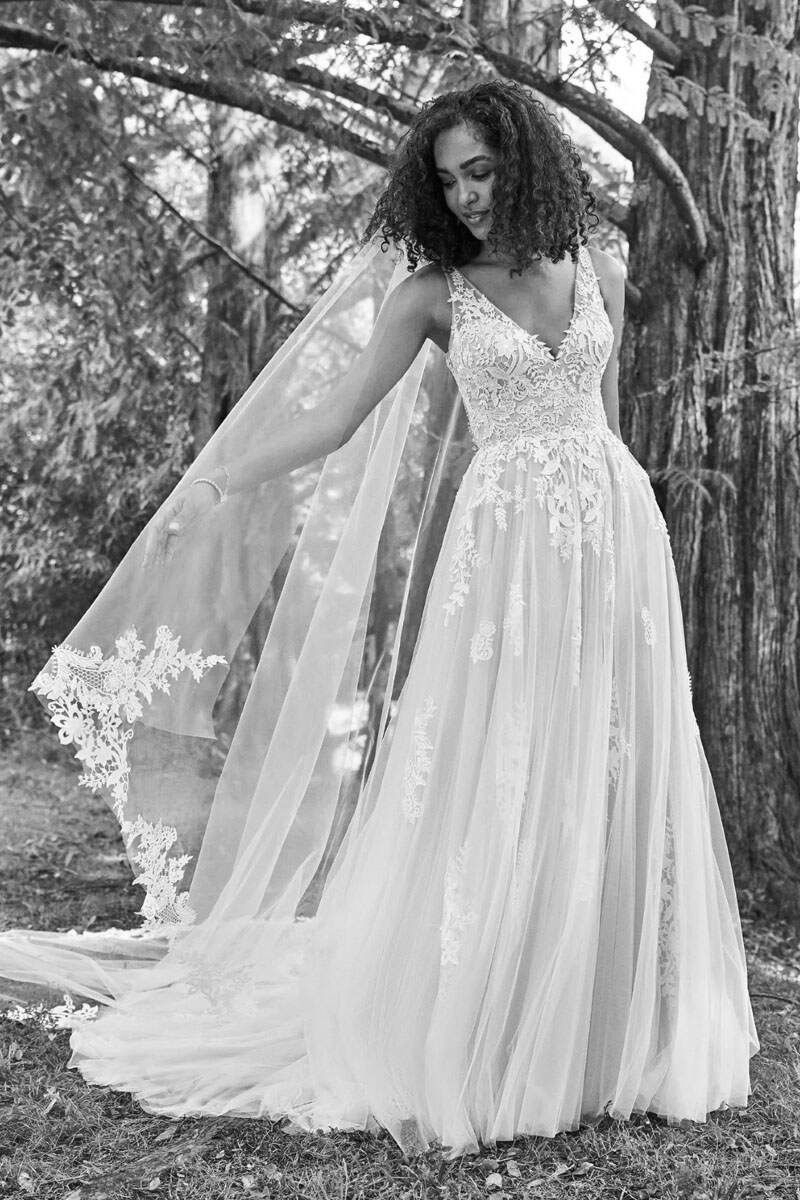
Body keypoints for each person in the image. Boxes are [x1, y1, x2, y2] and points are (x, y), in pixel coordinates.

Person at [1, 79, 758, 1159]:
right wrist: (216, 484)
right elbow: (336, 415)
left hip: (611, 534)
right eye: (446, 181)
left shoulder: (600, 261)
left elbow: (601, 412)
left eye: (482, 172)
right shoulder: (432, 292)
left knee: (609, 756)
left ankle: (604, 1021)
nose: (466, 198)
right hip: (502, 555)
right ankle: (491, 1020)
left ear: (524, 161)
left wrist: (614, 515)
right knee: (504, 762)